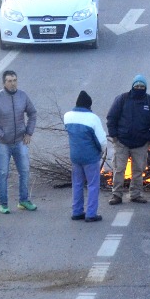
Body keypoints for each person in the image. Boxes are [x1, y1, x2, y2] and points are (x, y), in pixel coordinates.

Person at [0, 69, 38, 214]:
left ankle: (24, 201)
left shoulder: (23, 96)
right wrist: (2, 134)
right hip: (2, 143)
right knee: (3, 173)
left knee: (25, 171)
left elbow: (32, 113)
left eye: (14, 80)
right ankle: (3, 204)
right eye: (9, 81)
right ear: (4, 83)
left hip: (20, 141)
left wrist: (29, 132)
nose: (13, 83)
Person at [106, 74, 150, 205]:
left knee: (138, 170)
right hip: (122, 142)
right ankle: (116, 195)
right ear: (132, 86)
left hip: (141, 144)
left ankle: (135, 194)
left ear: (145, 87)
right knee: (119, 169)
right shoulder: (122, 99)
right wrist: (114, 136)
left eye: (142, 86)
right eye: (137, 86)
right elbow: (111, 118)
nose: (139, 88)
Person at [64, 91, 106, 222]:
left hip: (75, 157)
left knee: (77, 184)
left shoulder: (67, 116)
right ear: (89, 105)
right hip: (90, 158)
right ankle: (91, 214)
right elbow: (102, 141)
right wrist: (102, 151)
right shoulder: (93, 118)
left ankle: (77, 211)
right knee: (93, 185)